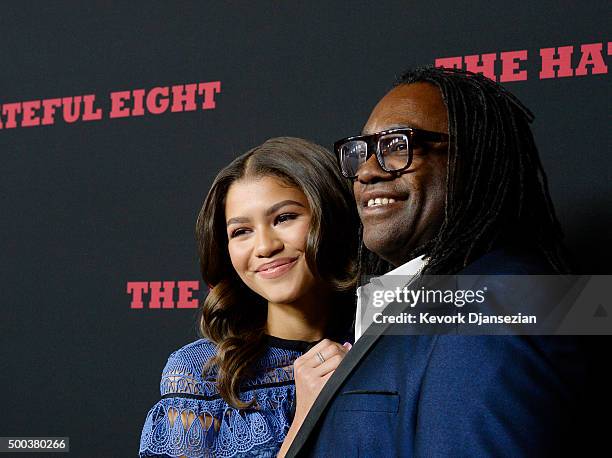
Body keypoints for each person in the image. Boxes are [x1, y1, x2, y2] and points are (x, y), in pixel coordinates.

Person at [285, 67, 588, 457]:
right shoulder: (438, 302)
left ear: (474, 158)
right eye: (361, 152)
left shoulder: (499, 308)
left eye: (397, 145)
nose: (367, 171)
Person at [138, 137, 359, 458]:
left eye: (284, 218)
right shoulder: (198, 376)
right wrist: (306, 420)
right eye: (242, 231)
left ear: (330, 218)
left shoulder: (382, 348)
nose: (265, 246)